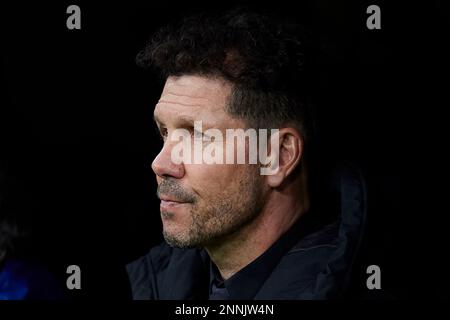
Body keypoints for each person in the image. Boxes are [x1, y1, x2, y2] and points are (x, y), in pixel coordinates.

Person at [126, 8, 367, 300]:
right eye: (164, 132)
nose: (160, 164)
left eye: (199, 135)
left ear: (278, 156)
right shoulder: (156, 284)